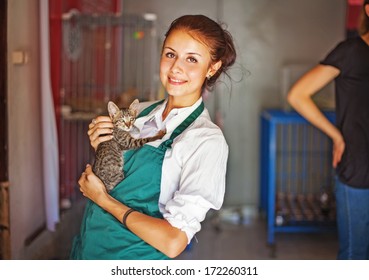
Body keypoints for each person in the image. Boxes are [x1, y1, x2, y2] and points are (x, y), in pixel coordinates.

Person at [70, 14, 237, 260]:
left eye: (192, 59)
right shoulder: (139, 113)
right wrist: (103, 144)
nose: (176, 67)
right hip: (89, 247)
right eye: (170, 54)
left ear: (213, 67)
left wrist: (102, 199)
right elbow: (121, 174)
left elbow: (173, 242)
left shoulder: (205, 140)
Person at [287, 1, 369, 260]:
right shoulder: (352, 51)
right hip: (358, 171)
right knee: (355, 256)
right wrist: (335, 135)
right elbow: (298, 95)